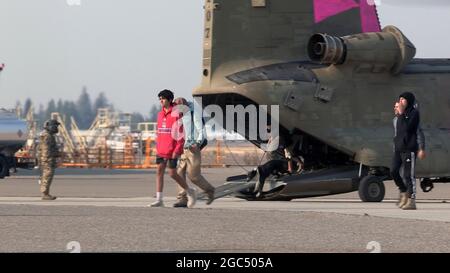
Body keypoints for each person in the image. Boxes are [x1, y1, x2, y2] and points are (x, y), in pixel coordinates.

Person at [149, 89, 197, 208]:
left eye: (163, 98)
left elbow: (180, 134)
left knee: (172, 173)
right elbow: (160, 132)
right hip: (161, 149)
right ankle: (159, 199)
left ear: (170, 100)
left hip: (172, 150)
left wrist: (177, 150)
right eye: (160, 99)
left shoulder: (176, 114)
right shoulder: (160, 114)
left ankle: (190, 191)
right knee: (159, 172)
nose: (161, 101)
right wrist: (157, 147)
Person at [172, 97, 215, 208]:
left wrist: (198, 142)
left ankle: (210, 190)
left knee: (193, 175)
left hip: (193, 147)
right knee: (179, 172)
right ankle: (182, 198)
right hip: (183, 146)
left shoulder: (193, 112)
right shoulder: (181, 114)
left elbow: (201, 130)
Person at [247, 127, 303, 198]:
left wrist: (291, 168)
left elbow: (289, 156)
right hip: (280, 163)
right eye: (268, 130)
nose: (268, 132)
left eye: (269, 130)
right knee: (267, 167)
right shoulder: (275, 139)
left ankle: (257, 191)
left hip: (285, 163)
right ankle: (257, 189)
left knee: (265, 169)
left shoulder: (281, 140)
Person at [391, 92, 421, 210]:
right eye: (400, 99)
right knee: (393, 171)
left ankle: (411, 200)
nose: (401, 101)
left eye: (403, 99)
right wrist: (398, 115)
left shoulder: (414, 113)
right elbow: (398, 131)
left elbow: (407, 128)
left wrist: (401, 114)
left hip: (409, 148)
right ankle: (404, 192)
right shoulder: (400, 115)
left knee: (408, 175)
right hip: (398, 149)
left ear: (408, 101)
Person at [38, 119, 61, 200]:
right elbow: (46, 150)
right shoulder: (47, 136)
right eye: (55, 126)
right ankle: (45, 194)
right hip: (47, 160)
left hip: (47, 159)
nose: (56, 128)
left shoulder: (48, 135)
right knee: (47, 176)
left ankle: (45, 193)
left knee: (46, 176)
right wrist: (48, 159)